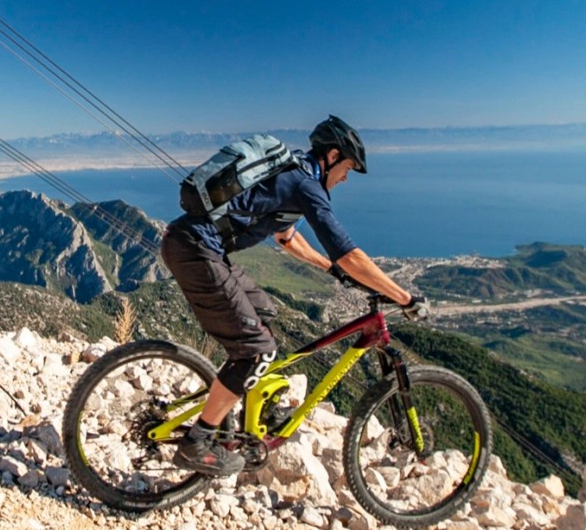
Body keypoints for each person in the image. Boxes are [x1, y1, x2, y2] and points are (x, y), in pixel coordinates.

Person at [160, 114, 425, 476]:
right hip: (196, 251)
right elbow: (349, 254)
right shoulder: (306, 184)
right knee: (256, 351)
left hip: (196, 247)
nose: (347, 177)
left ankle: (252, 405)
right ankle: (197, 441)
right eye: (348, 167)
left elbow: (287, 237)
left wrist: (328, 270)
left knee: (264, 313)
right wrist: (404, 297)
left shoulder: (291, 173)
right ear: (332, 156)